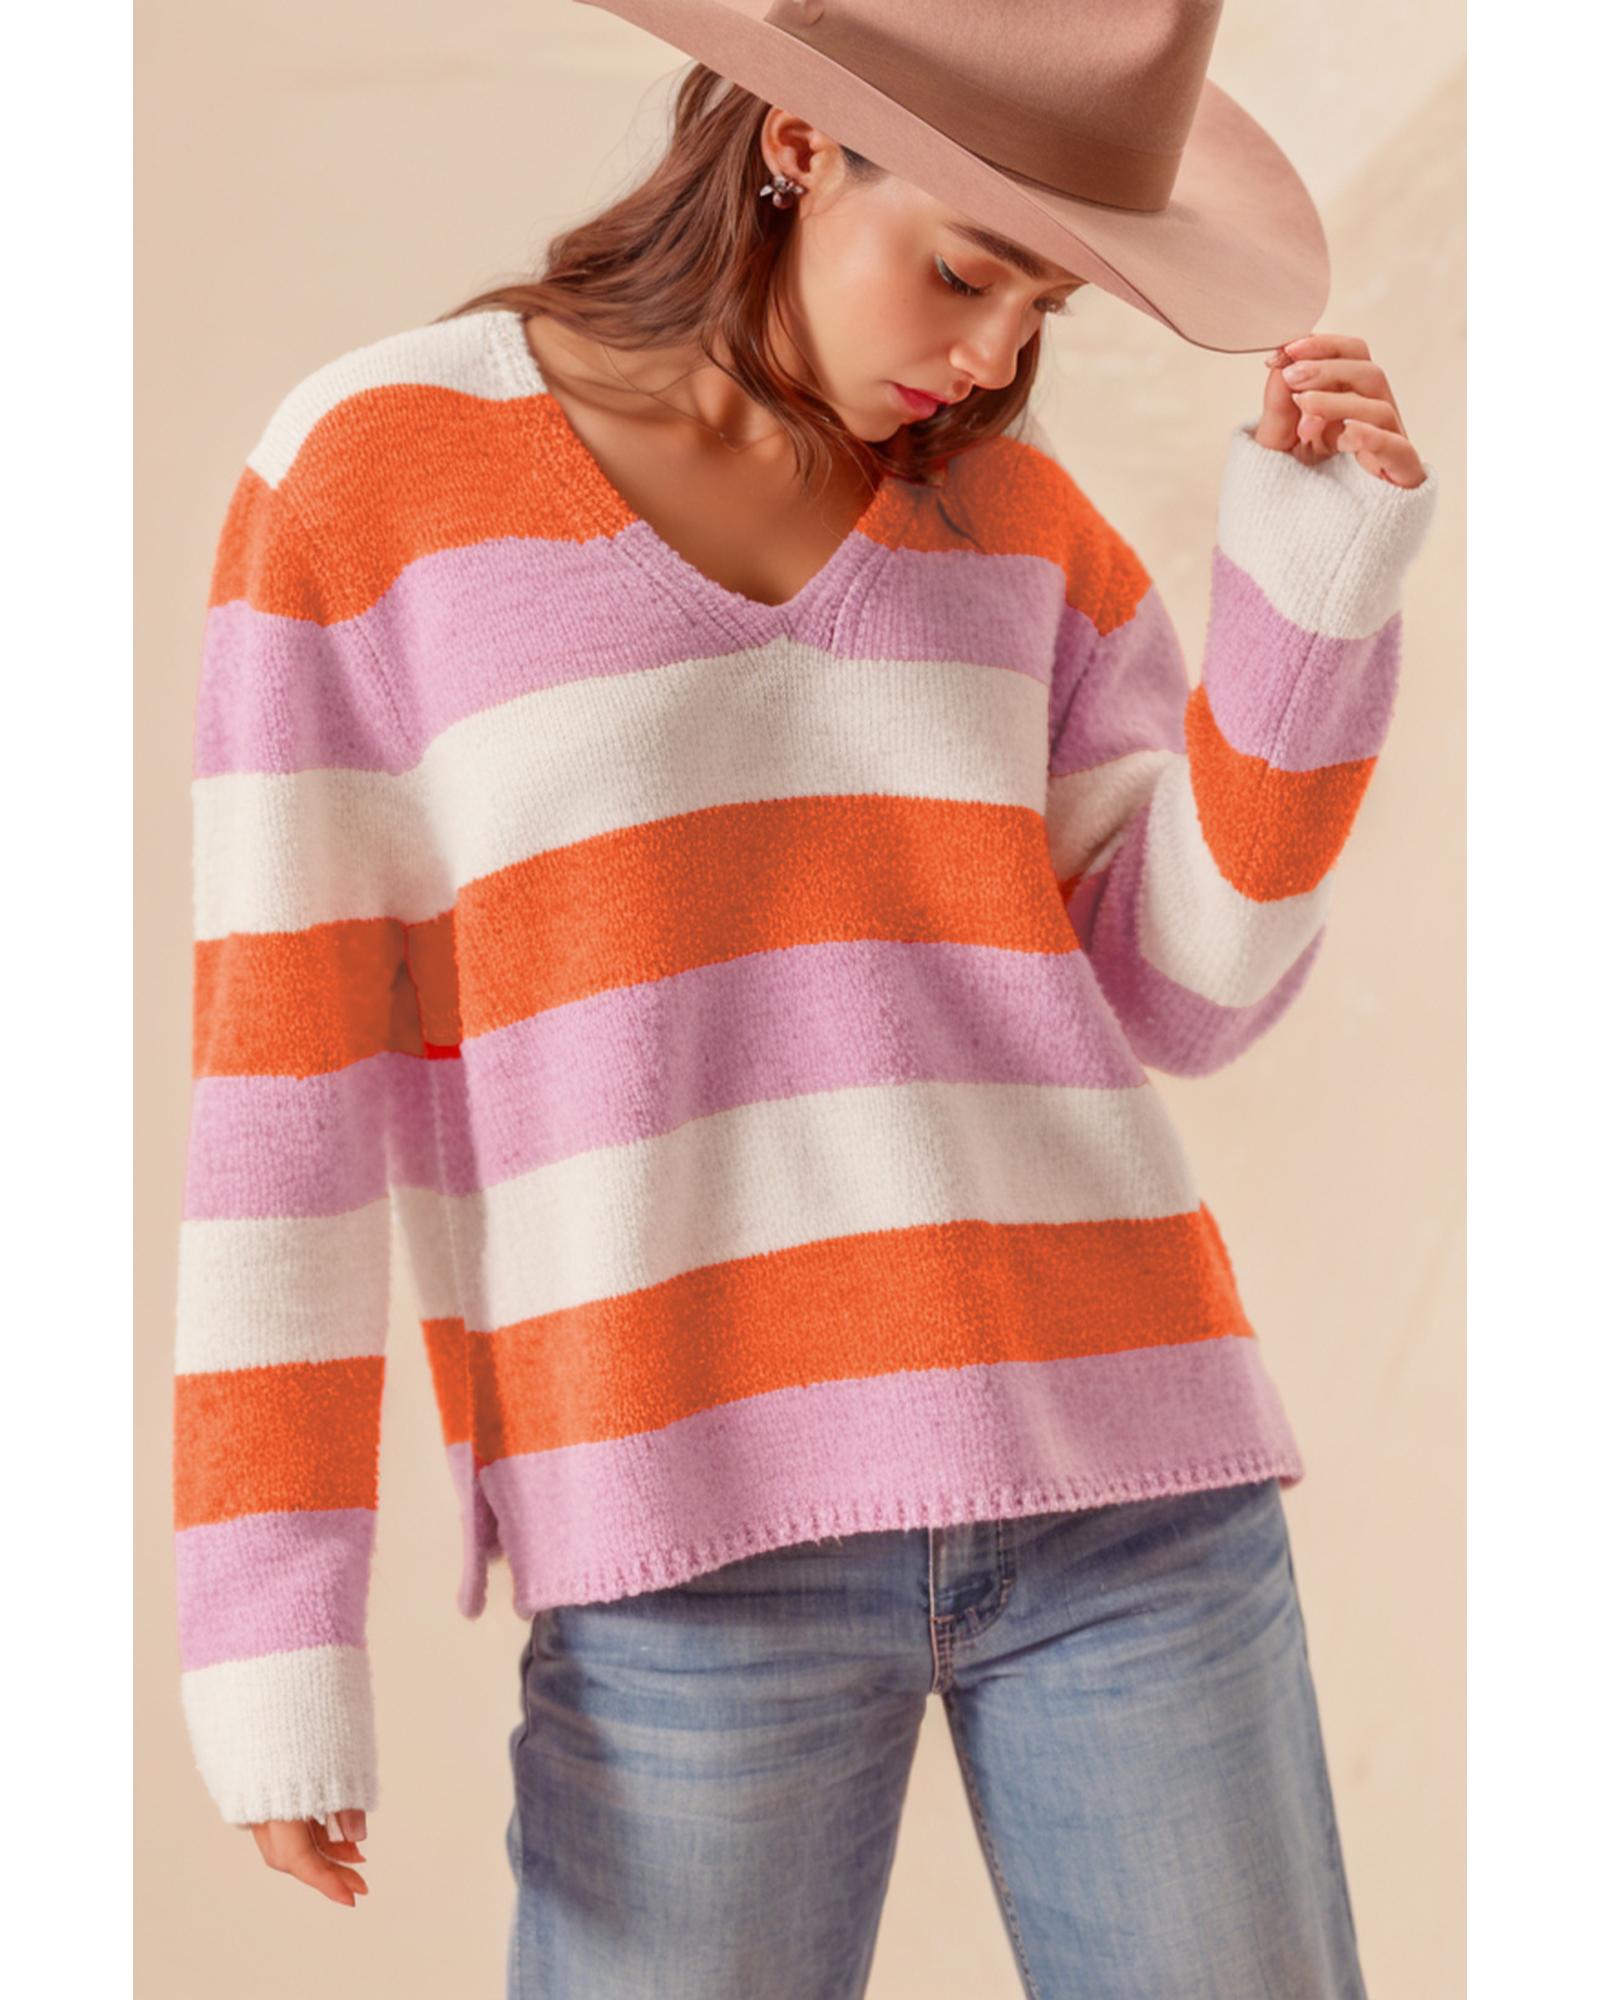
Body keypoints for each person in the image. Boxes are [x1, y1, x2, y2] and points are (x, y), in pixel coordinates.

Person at [171, 3, 1438, 1993]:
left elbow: (1186, 995)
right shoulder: (370, 478)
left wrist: (1316, 588)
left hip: (1129, 1494)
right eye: (963, 272)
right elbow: (282, 1100)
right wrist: (270, 1636)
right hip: (682, 1545)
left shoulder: (1013, 520)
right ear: (794, 144)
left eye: (1040, 309)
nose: (990, 360)